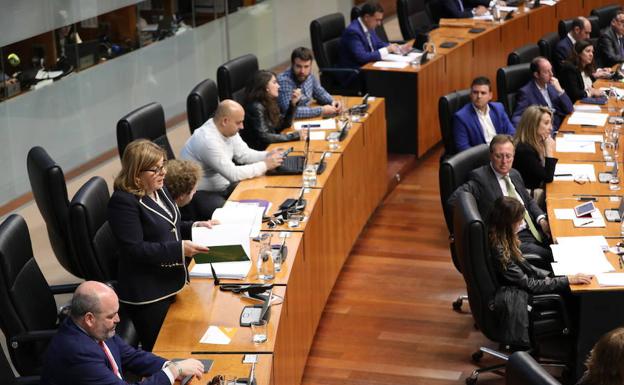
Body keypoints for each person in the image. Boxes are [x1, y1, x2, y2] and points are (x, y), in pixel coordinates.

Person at [108, 139, 215, 351]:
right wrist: (179, 249)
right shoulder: (123, 202)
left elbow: (168, 224)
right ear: (137, 172)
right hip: (149, 292)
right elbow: (134, 249)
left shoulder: (158, 187)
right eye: (155, 169)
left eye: (163, 165)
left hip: (172, 279)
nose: (163, 172)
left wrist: (195, 225)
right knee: (167, 349)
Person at [41, 281, 205, 385]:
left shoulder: (95, 328)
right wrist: (173, 371)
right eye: (111, 316)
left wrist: (169, 366)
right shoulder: (78, 354)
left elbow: (131, 356)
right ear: (89, 318)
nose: (118, 319)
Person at [449, 134, 553, 263]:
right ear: (491, 155)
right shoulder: (480, 178)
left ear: (514, 156)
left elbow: (528, 200)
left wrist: (541, 220)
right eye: (499, 156)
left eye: (508, 156)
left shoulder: (514, 173)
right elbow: (455, 200)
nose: (504, 161)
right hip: (511, 238)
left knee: (562, 242)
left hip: (533, 229)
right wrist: (470, 227)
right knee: (555, 256)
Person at [180, 100, 284, 208]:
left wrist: (267, 155)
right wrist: (265, 165)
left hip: (225, 185)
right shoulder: (207, 140)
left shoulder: (227, 129)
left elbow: (244, 154)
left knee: (265, 193)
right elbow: (233, 174)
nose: (242, 127)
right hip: (200, 193)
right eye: (239, 122)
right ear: (225, 121)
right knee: (235, 214)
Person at [489, 197, 592, 293]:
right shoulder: (501, 251)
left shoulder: (505, 238)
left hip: (533, 281)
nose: (521, 224)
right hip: (523, 294)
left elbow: (528, 268)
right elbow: (529, 285)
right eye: (518, 221)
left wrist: (550, 277)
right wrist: (567, 280)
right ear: (508, 224)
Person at [453, 76, 515, 152]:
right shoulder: (461, 117)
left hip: (503, 152)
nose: (479, 96)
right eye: (475, 92)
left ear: (490, 95)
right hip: (481, 158)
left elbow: (511, 133)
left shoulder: (498, 108)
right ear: (471, 95)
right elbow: (463, 148)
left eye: (483, 93)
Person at [242, 70, 301, 150]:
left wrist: (292, 105)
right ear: (265, 87)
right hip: (260, 152)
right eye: (274, 83)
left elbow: (282, 125)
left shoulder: (269, 101)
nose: (278, 86)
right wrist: (294, 136)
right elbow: (264, 136)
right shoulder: (256, 107)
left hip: (270, 147)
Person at [277, 47, 342, 119]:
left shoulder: (309, 75)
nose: (302, 71)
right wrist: (321, 110)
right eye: (298, 66)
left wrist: (332, 101)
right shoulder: (284, 81)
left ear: (311, 66)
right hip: (289, 123)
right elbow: (289, 112)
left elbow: (320, 93)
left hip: (307, 119)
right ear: (292, 65)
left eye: (306, 66)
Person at [338, 1, 407, 69]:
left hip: (370, 66)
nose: (379, 24)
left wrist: (394, 47)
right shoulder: (353, 32)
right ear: (366, 17)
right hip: (356, 72)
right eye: (377, 20)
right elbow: (362, 57)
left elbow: (378, 43)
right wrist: (387, 50)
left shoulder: (368, 25)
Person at [511, 57, 574, 131]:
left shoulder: (552, 85)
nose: (551, 74)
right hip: (544, 131)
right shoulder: (526, 92)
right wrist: (533, 131)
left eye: (551, 70)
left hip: (560, 126)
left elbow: (570, 109)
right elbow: (516, 118)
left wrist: (560, 91)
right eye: (547, 72)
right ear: (536, 75)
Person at [512, 106, 558, 190]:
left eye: (551, 123)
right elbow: (548, 178)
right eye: (546, 123)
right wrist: (548, 150)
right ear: (533, 125)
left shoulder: (536, 142)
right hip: (529, 195)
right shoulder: (525, 150)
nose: (551, 128)